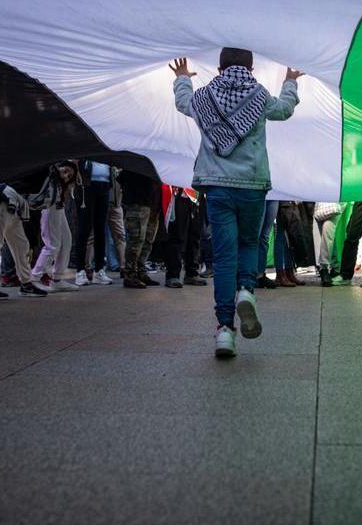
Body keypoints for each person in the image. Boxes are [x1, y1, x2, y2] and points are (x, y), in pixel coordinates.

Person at [170, 49, 302, 356]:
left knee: (224, 254)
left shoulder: (205, 95)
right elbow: (283, 110)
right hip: (252, 184)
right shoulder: (258, 95)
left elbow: (183, 103)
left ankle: (225, 330)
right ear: (251, 67)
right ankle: (246, 290)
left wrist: (181, 79)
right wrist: (291, 82)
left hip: (217, 185)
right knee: (248, 244)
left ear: (219, 67)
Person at [0, 168, 53, 299]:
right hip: (6, 199)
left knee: (20, 245)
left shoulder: (44, 166)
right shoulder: (42, 164)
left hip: (14, 203)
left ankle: (26, 283)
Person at [30, 161, 80, 292]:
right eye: (66, 171)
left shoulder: (61, 183)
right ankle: (35, 277)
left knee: (66, 241)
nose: (67, 175)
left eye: (70, 174)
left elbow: (75, 181)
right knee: (53, 244)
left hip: (58, 208)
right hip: (49, 208)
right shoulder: (51, 175)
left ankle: (57, 279)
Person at [72, 160, 115, 286]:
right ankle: (80, 271)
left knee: (100, 229)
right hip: (86, 185)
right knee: (83, 228)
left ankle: (99, 270)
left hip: (105, 185)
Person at [119, 168, 161, 289]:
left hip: (153, 201)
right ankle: (130, 275)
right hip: (138, 201)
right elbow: (122, 177)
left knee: (148, 240)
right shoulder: (135, 158)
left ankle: (140, 272)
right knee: (136, 240)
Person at [164, 185, 206, 288]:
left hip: (197, 193)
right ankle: (173, 274)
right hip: (179, 192)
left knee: (195, 235)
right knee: (176, 234)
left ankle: (192, 272)